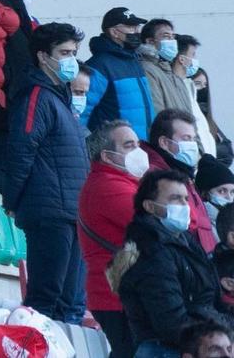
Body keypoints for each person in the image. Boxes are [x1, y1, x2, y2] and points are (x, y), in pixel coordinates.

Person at [0, 20, 91, 323]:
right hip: (49, 212)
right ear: (42, 56)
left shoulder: (59, 99)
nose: (71, 60)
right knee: (46, 296)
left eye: (73, 52)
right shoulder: (36, 96)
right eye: (64, 52)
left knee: (68, 300)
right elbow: (22, 149)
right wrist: (13, 199)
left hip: (70, 211)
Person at [121, 168, 234, 357]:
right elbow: (171, 322)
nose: (184, 205)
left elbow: (210, 299)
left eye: (185, 199)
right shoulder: (150, 250)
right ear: (150, 206)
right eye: (175, 199)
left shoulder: (185, 240)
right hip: (167, 350)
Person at [83, 117, 153, 355]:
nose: (138, 152)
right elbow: (155, 225)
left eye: (138, 144)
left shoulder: (127, 183)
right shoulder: (108, 187)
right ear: (107, 156)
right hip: (117, 299)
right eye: (128, 146)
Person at [149, 107, 221, 256]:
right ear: (164, 142)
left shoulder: (182, 172)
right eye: (186, 139)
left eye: (194, 139)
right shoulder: (158, 177)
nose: (193, 145)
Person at [88, 6, 160, 139]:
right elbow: (83, 111)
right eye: (131, 27)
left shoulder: (134, 59)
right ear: (114, 32)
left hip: (142, 145)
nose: (137, 32)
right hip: (115, 147)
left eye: (137, 27)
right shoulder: (99, 65)